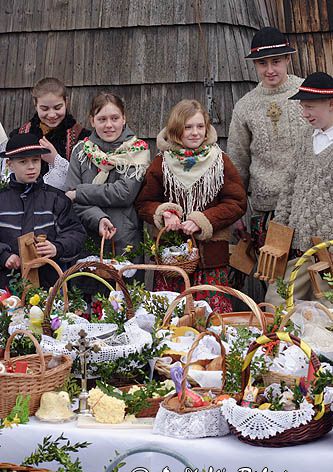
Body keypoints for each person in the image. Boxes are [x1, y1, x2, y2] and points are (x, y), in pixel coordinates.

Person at [135, 99, 247, 312]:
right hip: (172, 260)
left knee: (213, 319)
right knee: (171, 318)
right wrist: (165, 213)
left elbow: (237, 202)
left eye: (200, 126)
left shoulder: (220, 161)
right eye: (188, 127)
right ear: (177, 130)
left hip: (211, 258)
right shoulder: (162, 163)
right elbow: (144, 203)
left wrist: (201, 221)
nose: (195, 132)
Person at [227, 26, 305, 248]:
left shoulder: (306, 94)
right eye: (262, 63)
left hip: (306, 202)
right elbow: (237, 163)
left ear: (288, 59)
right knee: (273, 278)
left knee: (309, 275)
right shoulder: (245, 106)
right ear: (254, 64)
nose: (270, 69)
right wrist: (236, 211)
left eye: (276, 61)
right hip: (266, 209)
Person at [266, 72, 333, 305]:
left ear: (331, 104)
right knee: (276, 303)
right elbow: (289, 187)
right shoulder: (306, 138)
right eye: (303, 107)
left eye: (311, 107)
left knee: (326, 315)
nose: (305, 113)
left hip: (330, 255)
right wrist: (278, 232)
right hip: (298, 250)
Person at [65, 92, 150, 261]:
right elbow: (71, 198)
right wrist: (99, 218)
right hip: (86, 237)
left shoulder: (135, 151)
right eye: (102, 119)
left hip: (124, 239)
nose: (109, 125)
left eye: (115, 118)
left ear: (124, 118)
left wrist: (80, 193)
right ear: (92, 121)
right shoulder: (81, 152)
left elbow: (124, 193)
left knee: (125, 287)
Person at [0, 133, 86, 290]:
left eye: (35, 160)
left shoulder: (56, 199)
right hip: (6, 285)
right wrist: (4, 255)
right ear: (9, 164)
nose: (31, 166)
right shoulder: (2, 200)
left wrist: (57, 247)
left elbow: (75, 233)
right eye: (23, 162)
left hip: (50, 284)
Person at [9, 77, 89, 191]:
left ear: (66, 102)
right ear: (35, 104)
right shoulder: (19, 135)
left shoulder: (83, 138)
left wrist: (55, 159)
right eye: (44, 109)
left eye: (57, 107)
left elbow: (85, 180)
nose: (52, 115)